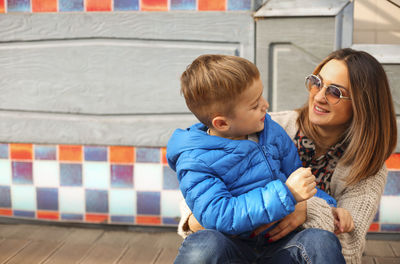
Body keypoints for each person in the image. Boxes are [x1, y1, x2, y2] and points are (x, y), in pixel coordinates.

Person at [175, 48, 397, 264]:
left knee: (320, 242)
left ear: (363, 105)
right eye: (317, 82)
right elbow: (199, 202)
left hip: (285, 249)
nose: (319, 96)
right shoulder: (259, 124)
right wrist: (289, 197)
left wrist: (314, 207)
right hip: (233, 244)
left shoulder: (268, 131)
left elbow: (349, 243)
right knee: (205, 243)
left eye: (335, 92)